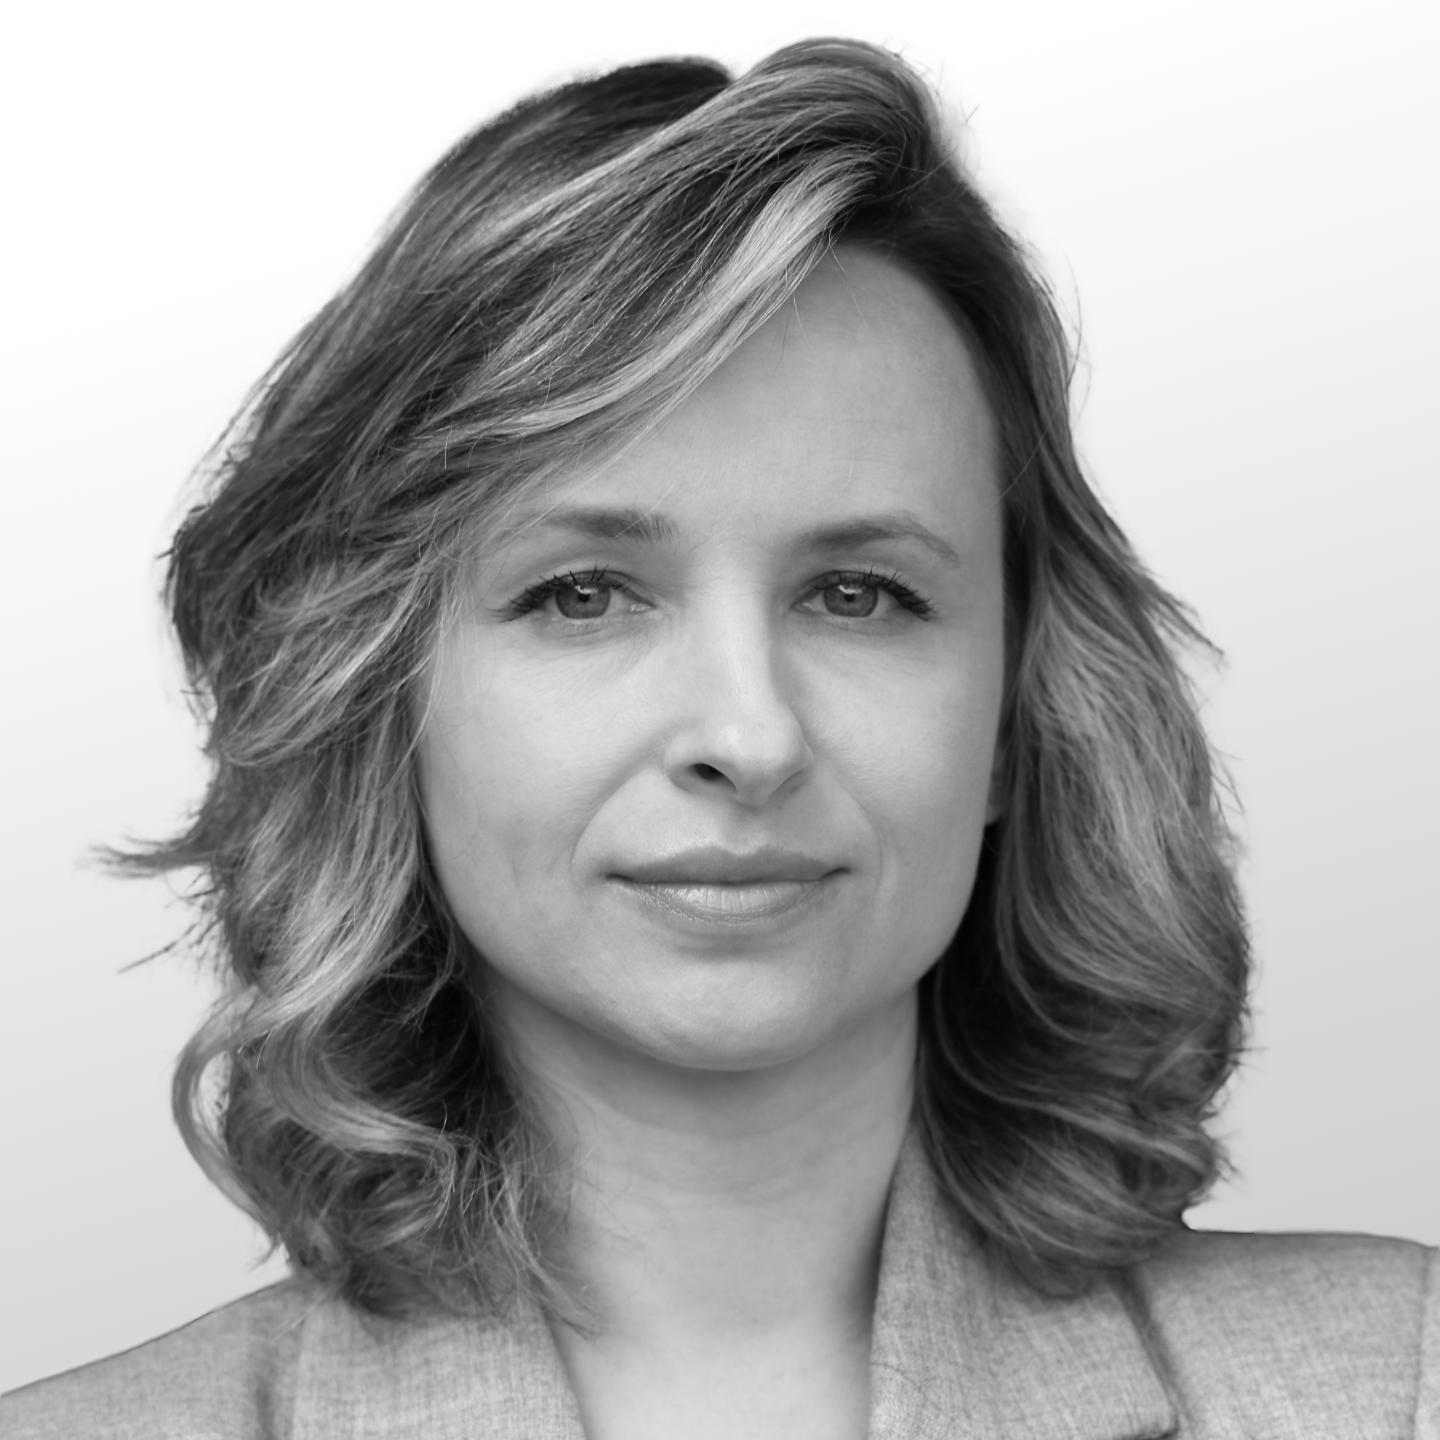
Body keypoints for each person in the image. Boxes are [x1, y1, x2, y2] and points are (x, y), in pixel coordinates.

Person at [3, 37, 1435, 1440]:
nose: (749, 737)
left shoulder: (1395, 1386)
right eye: (582, 594)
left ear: (1017, 712)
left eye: (862, 595)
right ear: (373, 694)